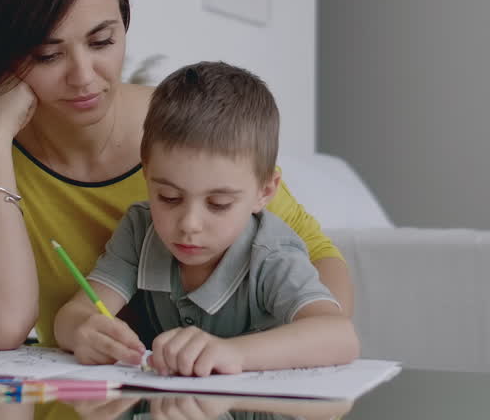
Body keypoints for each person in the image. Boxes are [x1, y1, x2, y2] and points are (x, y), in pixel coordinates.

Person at [0, 0, 353, 352]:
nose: (83, 77)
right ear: (1, 54)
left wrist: (254, 355)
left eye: (102, 41)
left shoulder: (182, 128)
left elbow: (319, 260)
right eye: (48, 55)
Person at [66, 61, 359, 376]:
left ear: (265, 192)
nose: (189, 223)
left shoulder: (272, 253)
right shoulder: (140, 229)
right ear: (147, 174)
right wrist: (85, 330)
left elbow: (340, 336)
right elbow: (77, 312)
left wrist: (234, 353)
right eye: (169, 198)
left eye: (218, 203)